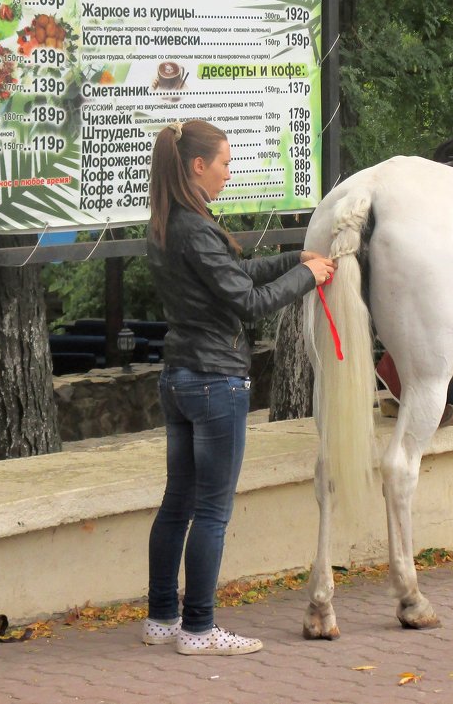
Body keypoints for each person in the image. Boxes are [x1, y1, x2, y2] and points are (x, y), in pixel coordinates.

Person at [141, 119, 335, 656]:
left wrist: (293, 259)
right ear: (197, 166)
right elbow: (246, 303)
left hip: (179, 378)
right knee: (212, 512)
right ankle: (198, 628)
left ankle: (161, 618)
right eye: (224, 162)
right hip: (214, 381)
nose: (229, 173)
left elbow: (235, 274)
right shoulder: (195, 227)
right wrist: (309, 280)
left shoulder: (166, 222)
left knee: (177, 503)